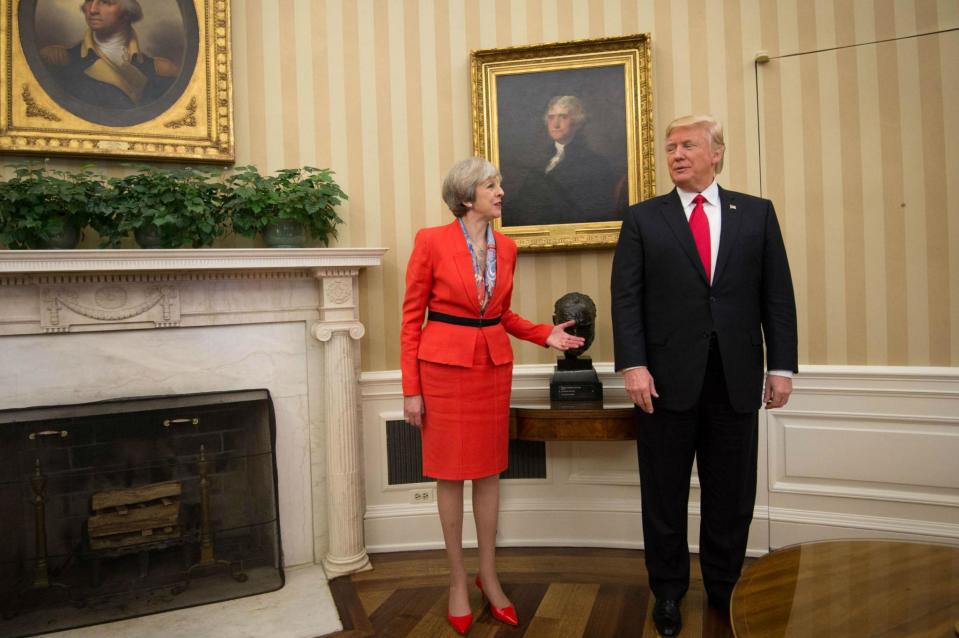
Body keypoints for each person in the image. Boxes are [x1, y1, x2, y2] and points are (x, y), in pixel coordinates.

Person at [610, 115, 797, 636]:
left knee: (731, 495)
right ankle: (667, 593)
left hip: (735, 379)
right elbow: (626, 299)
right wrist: (634, 365)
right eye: (670, 147)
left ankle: (724, 589)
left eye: (688, 145)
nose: (676, 154)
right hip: (663, 382)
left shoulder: (756, 215)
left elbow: (776, 296)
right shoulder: (644, 219)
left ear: (717, 153)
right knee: (663, 494)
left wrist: (780, 366)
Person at [401, 157, 585, 635]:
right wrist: (411, 390)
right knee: (448, 474)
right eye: (490, 185)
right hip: (441, 373)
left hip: (490, 370)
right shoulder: (431, 241)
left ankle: (489, 576)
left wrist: (546, 334)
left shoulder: (507, 246)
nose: (501, 191)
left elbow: (501, 313)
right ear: (466, 197)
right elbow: (410, 321)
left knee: (488, 474)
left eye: (500, 183)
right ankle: (458, 582)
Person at [505, 96, 624, 226]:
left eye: (563, 117)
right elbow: (522, 201)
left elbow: (591, 213)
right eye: (551, 117)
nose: (555, 124)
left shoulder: (595, 163)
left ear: (577, 123)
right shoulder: (542, 160)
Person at [40, 0, 179, 109]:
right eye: (89, 0)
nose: (92, 10)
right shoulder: (58, 60)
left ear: (127, 12)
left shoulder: (162, 71)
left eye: (106, 2)